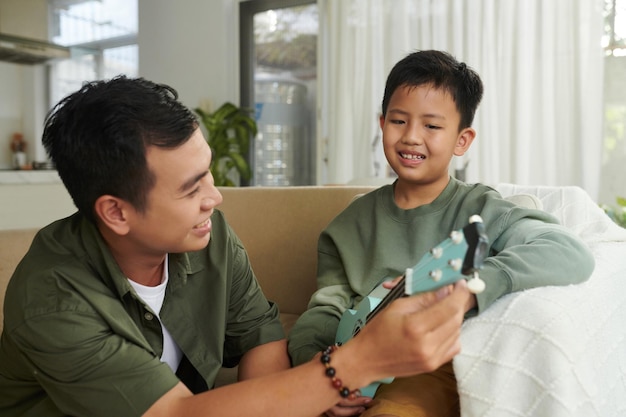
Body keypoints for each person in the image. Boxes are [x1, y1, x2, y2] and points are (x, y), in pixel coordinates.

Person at [0, 75, 475, 417]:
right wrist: (353, 364)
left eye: (208, 171)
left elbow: (261, 337)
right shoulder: (52, 299)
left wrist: (306, 394)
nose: (215, 197)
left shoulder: (208, 235)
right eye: (191, 188)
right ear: (116, 212)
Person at [287, 50, 596, 417]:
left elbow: (568, 251)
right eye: (399, 121)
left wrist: (470, 288)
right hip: (352, 366)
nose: (412, 137)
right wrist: (322, 373)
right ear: (382, 123)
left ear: (462, 140)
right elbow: (325, 310)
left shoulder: (482, 208)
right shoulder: (347, 225)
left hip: (429, 371)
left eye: (432, 126)